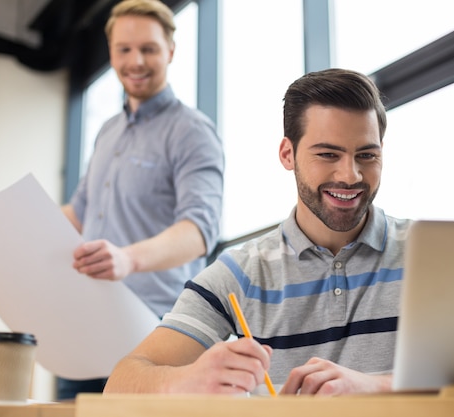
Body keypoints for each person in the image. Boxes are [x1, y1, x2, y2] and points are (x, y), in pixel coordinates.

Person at [103, 68, 412, 396]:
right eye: (328, 154)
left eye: (367, 155)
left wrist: (374, 386)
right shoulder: (240, 274)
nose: (350, 176)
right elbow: (120, 385)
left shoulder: (431, 253)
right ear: (287, 154)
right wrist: (188, 379)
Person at [59, 0, 224, 399]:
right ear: (112, 52)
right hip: (88, 323)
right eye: (124, 49)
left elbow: (200, 230)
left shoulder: (192, 131)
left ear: (170, 50)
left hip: (155, 332)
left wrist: (127, 258)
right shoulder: (108, 132)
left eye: (148, 48)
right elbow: (79, 213)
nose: (136, 60)